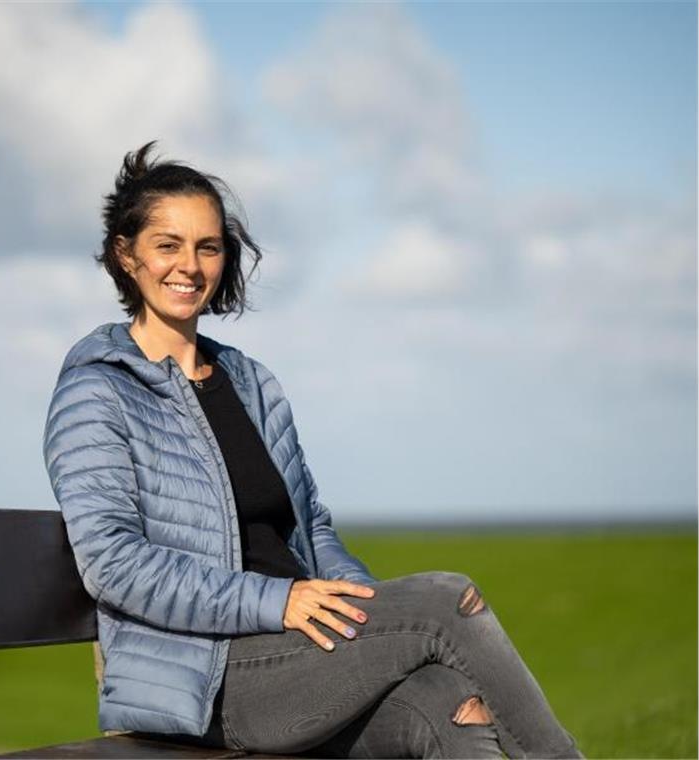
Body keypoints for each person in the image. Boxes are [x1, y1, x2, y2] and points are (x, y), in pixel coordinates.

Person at [42, 141, 583, 758]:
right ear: (125, 254)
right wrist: (281, 600)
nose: (189, 265)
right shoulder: (97, 392)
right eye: (168, 244)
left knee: (445, 702)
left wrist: (360, 603)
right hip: (209, 681)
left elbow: (310, 529)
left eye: (208, 246)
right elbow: (115, 564)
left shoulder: (251, 384)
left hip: (302, 655)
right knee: (444, 601)